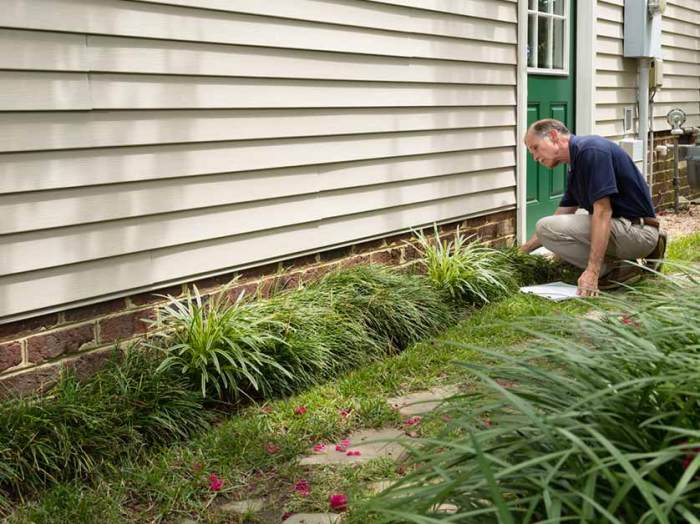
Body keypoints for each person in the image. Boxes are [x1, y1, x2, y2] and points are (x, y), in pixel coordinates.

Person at [520, 119, 666, 297]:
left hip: (639, 232)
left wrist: (592, 271)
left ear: (553, 136)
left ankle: (620, 269)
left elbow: (603, 212)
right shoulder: (576, 165)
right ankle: (622, 262)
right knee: (548, 228)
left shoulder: (592, 151)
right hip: (628, 229)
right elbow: (562, 214)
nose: (534, 157)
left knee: (545, 226)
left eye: (535, 148)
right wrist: (521, 252)